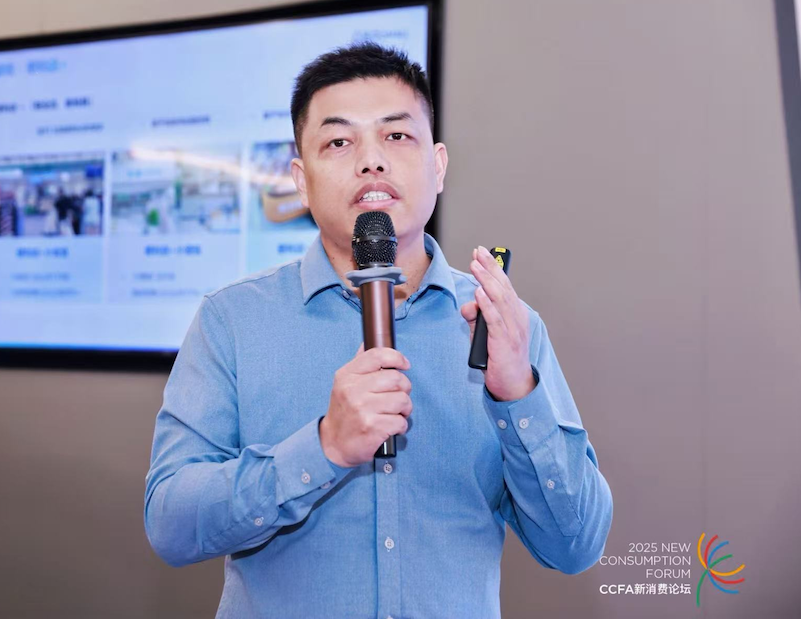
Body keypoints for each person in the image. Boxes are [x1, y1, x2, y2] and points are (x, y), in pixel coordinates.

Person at [145, 43, 613, 619]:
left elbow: (576, 545)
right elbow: (170, 523)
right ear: (300, 180)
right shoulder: (232, 320)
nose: (371, 161)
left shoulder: (501, 323)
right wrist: (323, 448)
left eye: (396, 135)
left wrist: (518, 391)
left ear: (438, 166)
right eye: (339, 142)